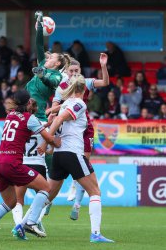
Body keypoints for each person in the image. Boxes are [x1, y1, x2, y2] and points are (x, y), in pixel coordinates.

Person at [38, 74, 114, 243]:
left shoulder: (64, 104)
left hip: (59, 154)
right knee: (95, 191)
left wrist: (48, 143)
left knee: (48, 194)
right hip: (72, 153)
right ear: (84, 89)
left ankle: (24, 223)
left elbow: (53, 119)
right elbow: (58, 119)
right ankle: (95, 234)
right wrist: (47, 142)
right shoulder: (79, 103)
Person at [0, 90, 60, 240]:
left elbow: (24, 131)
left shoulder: (10, 115)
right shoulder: (30, 118)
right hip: (12, 163)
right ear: (28, 103)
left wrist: (47, 123)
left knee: (10, 202)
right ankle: (31, 222)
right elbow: (47, 137)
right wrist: (55, 141)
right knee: (46, 187)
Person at [46, 53, 109, 220]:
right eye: (71, 70)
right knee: (70, 164)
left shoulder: (84, 82)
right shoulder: (62, 86)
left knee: (85, 160)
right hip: (69, 126)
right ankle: (49, 201)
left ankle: (77, 203)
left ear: (80, 70)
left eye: (76, 70)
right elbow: (56, 107)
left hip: (84, 125)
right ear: (66, 71)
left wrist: (103, 66)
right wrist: (50, 112)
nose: (74, 73)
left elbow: (105, 82)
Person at [11, 99, 52, 237]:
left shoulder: (20, 125)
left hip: (22, 163)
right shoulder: (42, 126)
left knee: (18, 200)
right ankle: (32, 222)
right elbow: (50, 149)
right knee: (44, 197)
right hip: (38, 165)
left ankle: (19, 225)